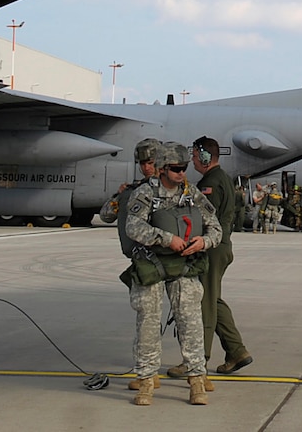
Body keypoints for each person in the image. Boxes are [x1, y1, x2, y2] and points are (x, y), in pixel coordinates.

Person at [121, 142, 222, 406]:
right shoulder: (145, 194)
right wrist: (166, 239)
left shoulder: (192, 194)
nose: (181, 174)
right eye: (176, 169)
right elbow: (133, 227)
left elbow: (216, 228)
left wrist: (204, 242)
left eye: (184, 168)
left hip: (185, 265)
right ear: (163, 169)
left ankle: (197, 378)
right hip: (152, 263)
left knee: (190, 322)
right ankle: (146, 380)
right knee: (148, 323)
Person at [184, 136, 252, 376]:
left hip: (211, 248)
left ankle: (197, 359)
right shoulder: (222, 178)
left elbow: (204, 219)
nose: (192, 161)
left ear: (204, 156)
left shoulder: (210, 183)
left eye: (194, 156)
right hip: (221, 247)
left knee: (204, 302)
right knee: (214, 299)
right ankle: (236, 351)